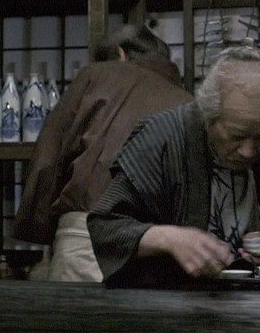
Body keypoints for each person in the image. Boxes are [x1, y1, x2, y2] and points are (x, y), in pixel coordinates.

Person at [87, 46, 260, 287]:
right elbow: (105, 226)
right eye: (236, 136)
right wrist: (168, 238)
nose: (248, 151)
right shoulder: (163, 137)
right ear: (208, 116)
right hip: (175, 297)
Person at [13, 23, 193, 282]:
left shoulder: (98, 75)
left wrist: (40, 227)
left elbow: (49, 156)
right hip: (161, 249)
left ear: (119, 54)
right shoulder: (188, 104)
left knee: (78, 309)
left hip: (88, 234)